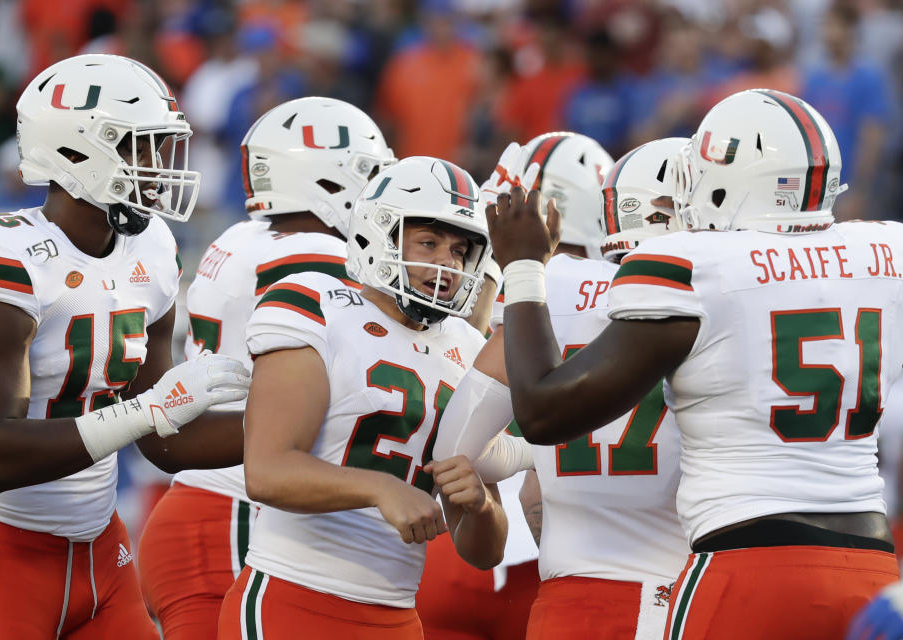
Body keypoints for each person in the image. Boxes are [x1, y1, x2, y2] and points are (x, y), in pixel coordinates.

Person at [488, 88, 902, 639]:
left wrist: (522, 268)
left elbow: (543, 412)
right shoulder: (886, 251)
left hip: (748, 567)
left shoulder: (695, 264)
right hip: (872, 566)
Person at [0, 54, 250, 639]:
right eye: (139, 147)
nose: (158, 167)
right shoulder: (2, 257)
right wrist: (146, 412)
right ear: (75, 151)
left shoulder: (153, 248)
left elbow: (166, 442)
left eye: (160, 148)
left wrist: (300, 424)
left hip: (102, 552)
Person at [136, 96, 396, 640]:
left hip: (209, 502)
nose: (380, 195)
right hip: (232, 513)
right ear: (323, 179)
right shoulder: (315, 254)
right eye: (370, 175)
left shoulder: (246, 237)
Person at [218, 156, 505, 639]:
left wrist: (480, 506)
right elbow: (266, 471)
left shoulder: (468, 349)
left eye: (459, 251)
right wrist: (380, 488)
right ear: (380, 234)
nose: (446, 264)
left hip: (396, 614)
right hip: (293, 598)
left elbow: (484, 553)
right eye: (429, 242)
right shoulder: (316, 305)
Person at [435, 137, 691, 640]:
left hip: (565, 598)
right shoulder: (710, 294)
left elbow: (456, 449)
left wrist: (534, 453)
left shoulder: (550, 287)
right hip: (680, 592)